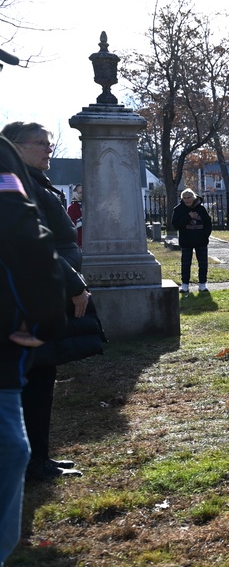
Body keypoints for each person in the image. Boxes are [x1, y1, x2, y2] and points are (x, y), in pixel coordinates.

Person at [3, 122, 89, 484]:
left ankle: (38, 457)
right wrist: (73, 285)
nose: (47, 150)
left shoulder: (34, 181)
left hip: (44, 290)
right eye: (40, 144)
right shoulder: (18, 184)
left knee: (42, 376)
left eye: (48, 144)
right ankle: (31, 462)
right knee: (34, 378)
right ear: (16, 147)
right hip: (35, 295)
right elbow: (38, 243)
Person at [0, 132, 66, 565]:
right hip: (6, 341)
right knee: (10, 448)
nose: (47, 149)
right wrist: (39, 315)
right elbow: (31, 238)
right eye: (39, 142)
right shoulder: (6, 169)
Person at [171, 188, 213, 293]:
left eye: (189, 197)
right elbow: (176, 225)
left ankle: (202, 284)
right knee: (185, 263)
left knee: (203, 263)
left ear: (193, 198)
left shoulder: (201, 209)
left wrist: (205, 236)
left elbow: (208, 224)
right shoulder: (178, 209)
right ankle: (185, 285)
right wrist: (188, 217)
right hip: (186, 241)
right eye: (184, 198)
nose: (187, 200)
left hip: (201, 241)